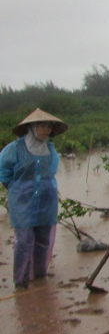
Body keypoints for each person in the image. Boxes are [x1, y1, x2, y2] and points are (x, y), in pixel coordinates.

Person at [0, 108, 66, 290]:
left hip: (47, 199)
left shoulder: (50, 150)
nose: (46, 130)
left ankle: (39, 274)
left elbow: (50, 173)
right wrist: (17, 189)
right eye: (42, 126)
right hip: (22, 200)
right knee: (23, 239)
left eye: (49, 127)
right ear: (32, 127)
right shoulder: (15, 149)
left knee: (43, 238)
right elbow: (4, 173)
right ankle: (20, 279)